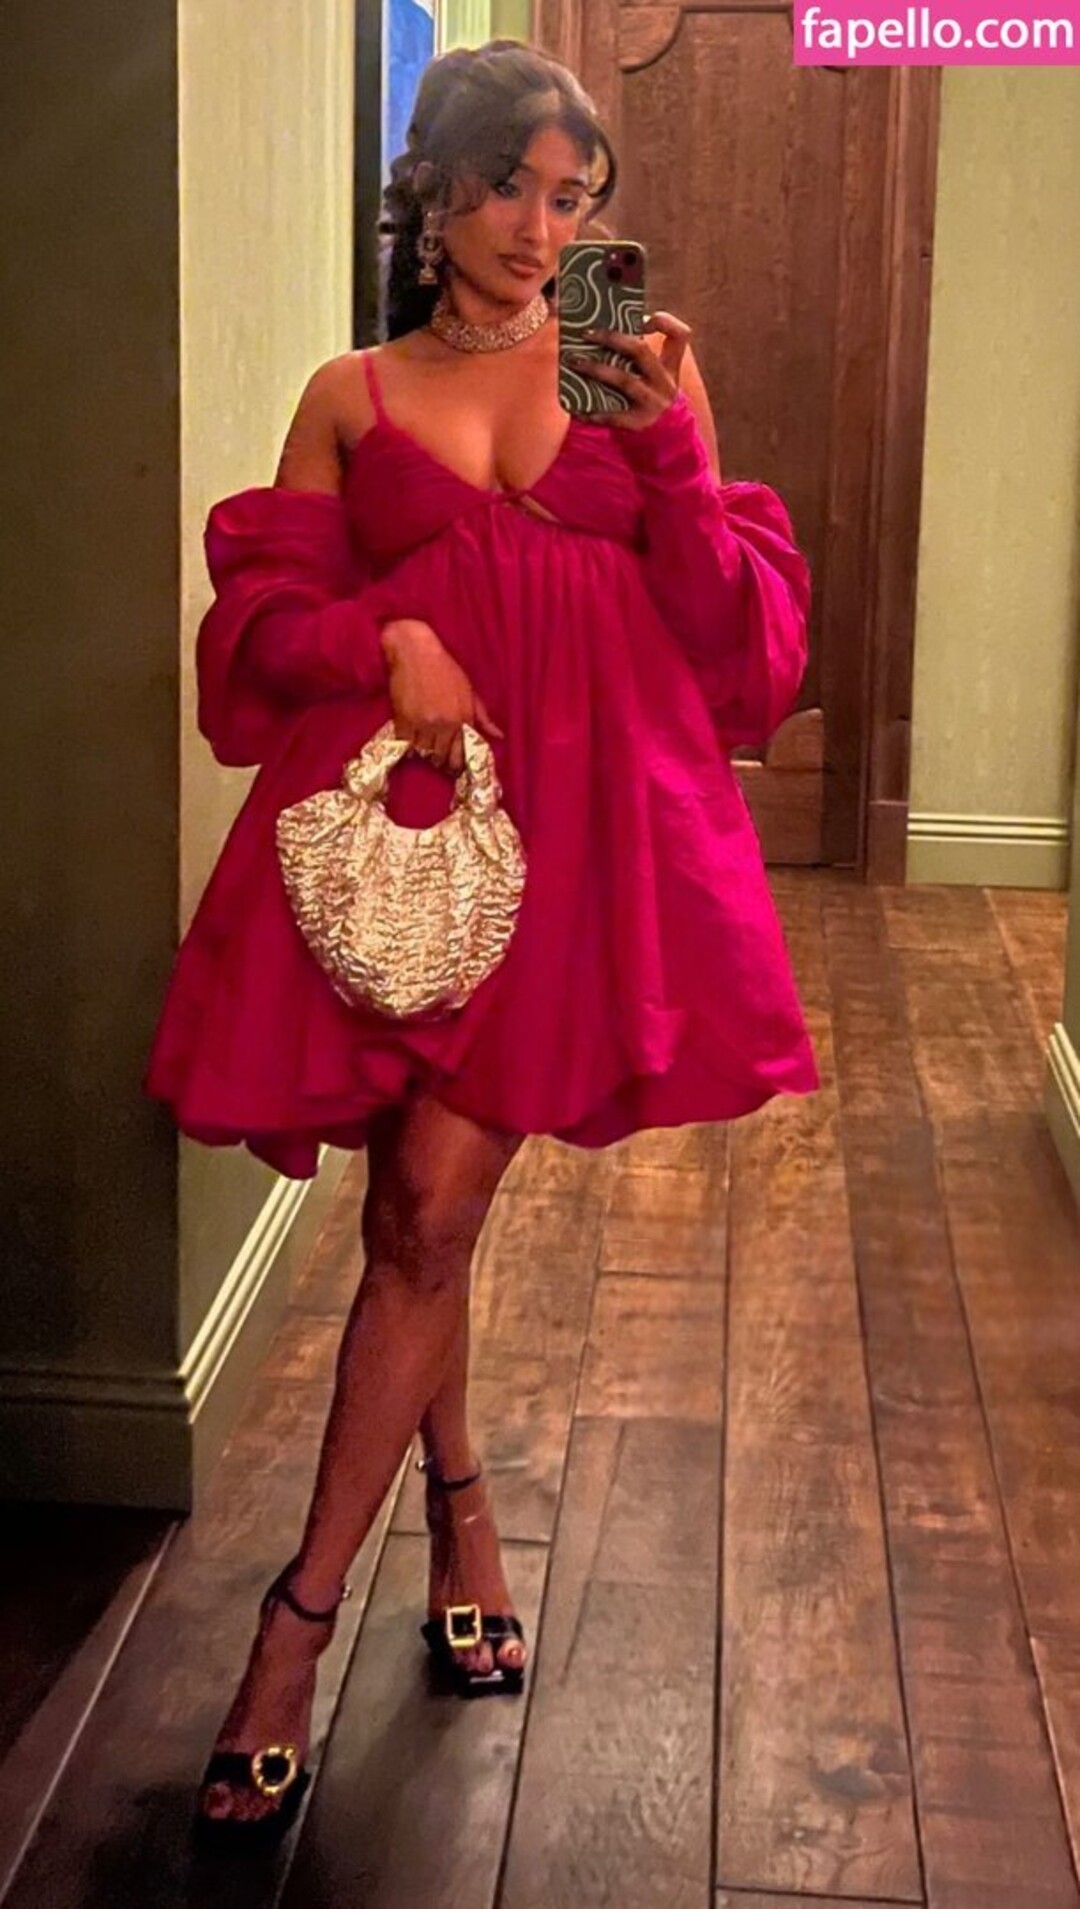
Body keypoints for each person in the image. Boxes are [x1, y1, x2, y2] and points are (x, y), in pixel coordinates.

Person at [144, 38, 820, 1839]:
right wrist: (385, 640)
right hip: (404, 834)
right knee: (411, 1215)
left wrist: (673, 445)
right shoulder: (350, 394)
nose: (540, 228)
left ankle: (290, 1632)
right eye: (510, 185)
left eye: (572, 197)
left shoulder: (632, 374)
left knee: (428, 1208)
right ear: (432, 189)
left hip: (587, 843)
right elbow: (258, 619)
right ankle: (458, 1504)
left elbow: (736, 639)